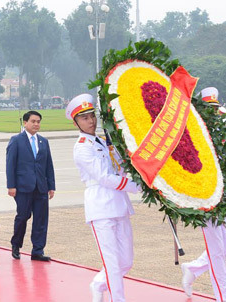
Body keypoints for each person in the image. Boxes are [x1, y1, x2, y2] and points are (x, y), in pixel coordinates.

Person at [67, 94, 141, 302]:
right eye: (84, 118)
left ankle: (98, 284)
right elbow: (104, 177)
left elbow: (121, 168)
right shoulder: (82, 146)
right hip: (100, 206)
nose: (90, 121)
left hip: (119, 204)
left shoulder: (103, 140)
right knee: (112, 263)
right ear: (76, 123)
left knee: (126, 260)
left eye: (92, 116)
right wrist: (137, 186)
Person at [181, 87, 226, 302]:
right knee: (216, 250)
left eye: (215, 110)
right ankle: (224, 296)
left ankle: (193, 269)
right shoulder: (193, 131)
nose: (214, 115)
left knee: (225, 248)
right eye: (209, 111)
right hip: (205, 193)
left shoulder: (223, 124)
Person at [6, 111, 55, 261]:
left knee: (41, 219)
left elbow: (48, 165)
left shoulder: (43, 141)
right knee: (22, 217)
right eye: (33, 121)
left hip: (41, 187)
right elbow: (10, 164)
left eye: (38, 121)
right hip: (23, 187)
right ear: (25, 123)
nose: (36, 124)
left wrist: (51, 186)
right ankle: (16, 245)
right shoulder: (16, 140)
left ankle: (38, 250)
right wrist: (11, 185)